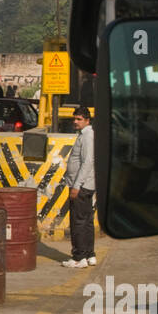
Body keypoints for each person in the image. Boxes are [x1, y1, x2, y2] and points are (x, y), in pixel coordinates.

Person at [63, 106, 96, 267]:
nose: (75, 122)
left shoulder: (87, 136)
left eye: (79, 119)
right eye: (74, 118)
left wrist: (76, 185)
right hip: (86, 184)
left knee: (78, 222)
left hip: (81, 185)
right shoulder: (85, 135)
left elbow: (87, 162)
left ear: (87, 120)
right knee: (87, 220)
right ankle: (89, 254)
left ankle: (78, 257)